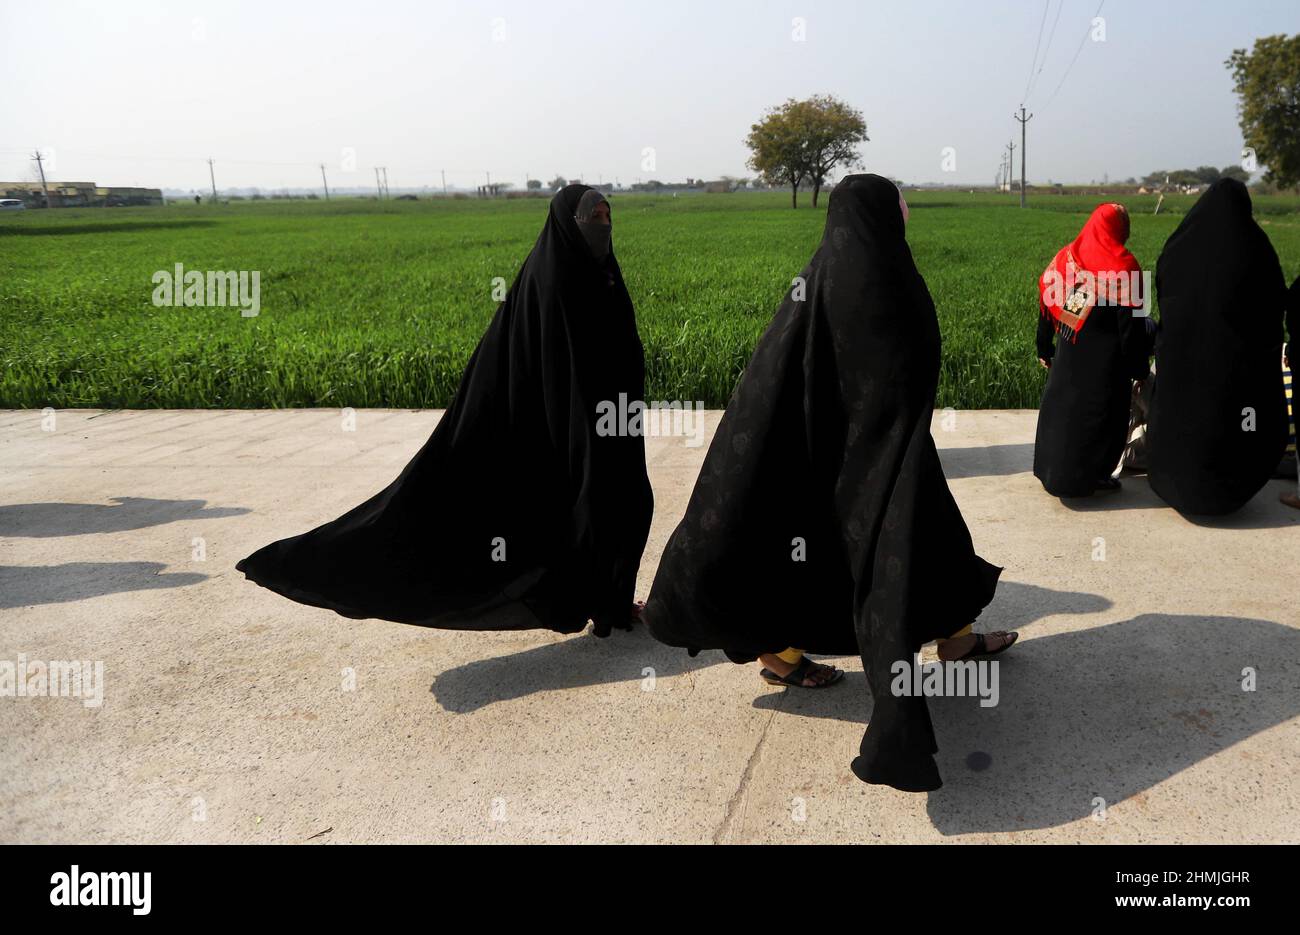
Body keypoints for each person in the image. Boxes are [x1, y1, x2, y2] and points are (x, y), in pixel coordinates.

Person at [643, 175, 1011, 793]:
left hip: (822, 457)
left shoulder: (812, 280)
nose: (908, 211)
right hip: (887, 458)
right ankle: (943, 644)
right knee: (909, 544)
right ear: (885, 214)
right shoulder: (893, 279)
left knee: (884, 544)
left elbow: (772, 377)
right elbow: (911, 367)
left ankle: (925, 642)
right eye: (900, 204)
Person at [236, 185, 653, 637]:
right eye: (593, 218)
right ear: (565, 224)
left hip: (615, 423)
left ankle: (611, 602)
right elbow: (539, 372)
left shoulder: (604, 273)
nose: (602, 226)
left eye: (607, 217)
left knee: (628, 505)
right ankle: (594, 603)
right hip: (566, 435)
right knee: (586, 512)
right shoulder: (550, 279)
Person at [1146, 180, 1289, 516]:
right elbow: (1273, 312)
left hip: (1168, 470)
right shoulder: (1256, 249)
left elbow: (1165, 301)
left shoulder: (1178, 246)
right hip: (1234, 481)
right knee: (1251, 407)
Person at [1033, 203, 1152, 497]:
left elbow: (1050, 305)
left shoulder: (1070, 256)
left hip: (1068, 363)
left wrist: (1044, 348)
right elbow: (1132, 332)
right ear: (1121, 230)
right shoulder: (1129, 269)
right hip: (1105, 371)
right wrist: (1137, 370)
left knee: (1063, 410)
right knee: (1103, 417)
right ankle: (1097, 475)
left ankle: (1049, 470)